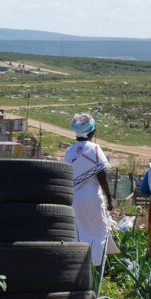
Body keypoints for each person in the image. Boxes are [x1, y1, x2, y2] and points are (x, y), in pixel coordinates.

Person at [64, 113, 117, 268]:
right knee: (99, 233)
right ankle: (98, 270)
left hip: (74, 198)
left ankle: (80, 267)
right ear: (92, 132)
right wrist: (109, 198)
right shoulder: (94, 149)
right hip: (92, 197)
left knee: (80, 232)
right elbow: (102, 175)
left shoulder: (70, 151)